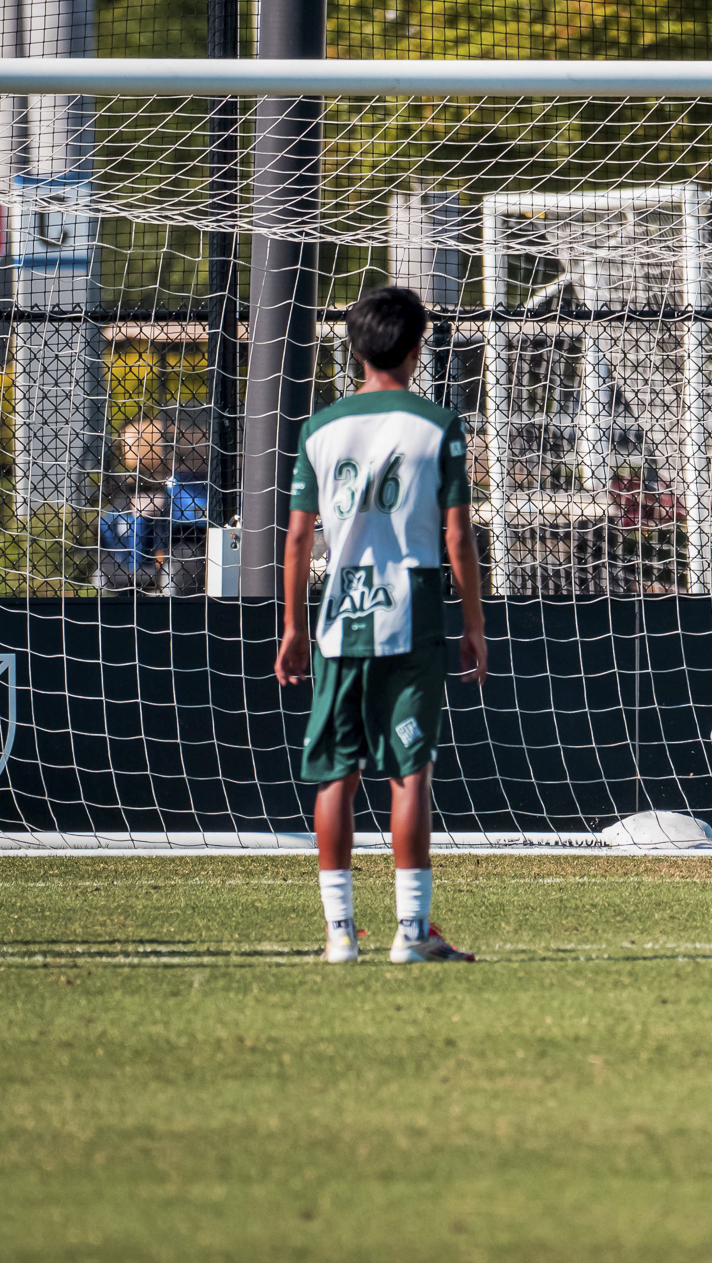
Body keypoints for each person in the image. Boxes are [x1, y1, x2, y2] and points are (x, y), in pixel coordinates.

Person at [277, 287, 490, 961]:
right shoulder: (437, 425)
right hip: (412, 614)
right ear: (417, 347)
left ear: (355, 347)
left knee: (336, 775)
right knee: (410, 773)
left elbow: (297, 540)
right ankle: (410, 932)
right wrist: (475, 623)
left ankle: (340, 935)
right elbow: (458, 538)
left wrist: (292, 628)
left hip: (340, 618)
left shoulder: (320, 428)